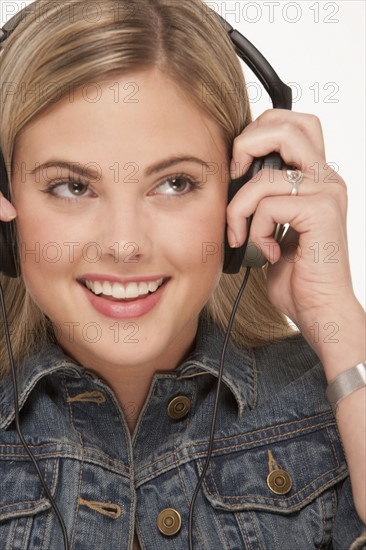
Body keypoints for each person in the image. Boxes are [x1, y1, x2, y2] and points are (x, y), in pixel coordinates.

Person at [0, 0, 365, 548]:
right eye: (73, 187)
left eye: (174, 183)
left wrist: (338, 322)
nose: (125, 245)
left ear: (245, 192)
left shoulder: (338, 402)